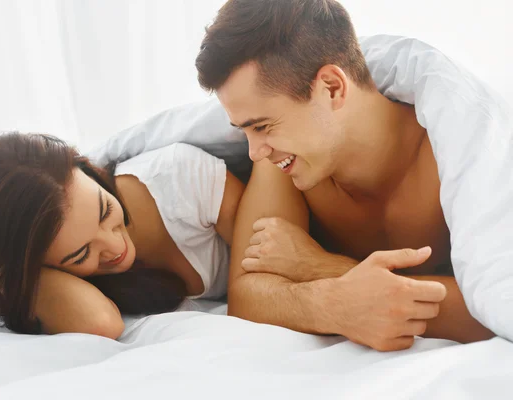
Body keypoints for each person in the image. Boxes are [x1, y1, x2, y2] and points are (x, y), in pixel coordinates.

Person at [195, 0, 497, 351]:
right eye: (244, 131)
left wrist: (316, 266)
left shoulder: (453, 152)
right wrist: (333, 305)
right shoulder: (284, 161)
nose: (254, 152)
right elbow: (246, 297)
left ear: (332, 88)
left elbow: (493, 307)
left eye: (262, 125)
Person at [0, 132, 244, 339]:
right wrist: (0, 267)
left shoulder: (180, 178)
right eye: (81, 254)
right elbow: (100, 322)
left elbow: (266, 280)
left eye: (105, 211)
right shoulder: (48, 270)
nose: (114, 246)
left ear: (83, 167)